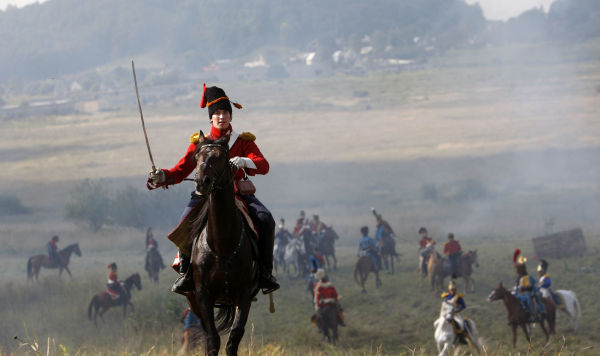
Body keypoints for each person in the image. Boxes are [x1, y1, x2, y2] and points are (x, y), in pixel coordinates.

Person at [147, 85, 279, 295]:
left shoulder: (243, 141)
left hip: (238, 195)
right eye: (216, 113)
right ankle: (187, 272)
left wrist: (244, 161)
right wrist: (162, 176)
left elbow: (264, 165)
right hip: (205, 194)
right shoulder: (201, 143)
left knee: (266, 219)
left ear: (230, 115)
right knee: (186, 220)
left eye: (225, 112)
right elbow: (180, 171)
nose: (221, 117)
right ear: (211, 118)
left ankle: (265, 272)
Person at [513, 249, 545, 322]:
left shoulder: (528, 277)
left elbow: (530, 286)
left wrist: (524, 288)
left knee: (529, 299)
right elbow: (518, 286)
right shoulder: (519, 278)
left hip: (530, 293)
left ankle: (535, 314)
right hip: (521, 293)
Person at [441, 280, 470, 344]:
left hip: (456, 314)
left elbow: (463, 306)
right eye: (451, 290)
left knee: (461, 323)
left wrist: (457, 309)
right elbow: (443, 305)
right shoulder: (446, 296)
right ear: (449, 290)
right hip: (447, 314)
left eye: (453, 290)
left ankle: (461, 337)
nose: (452, 291)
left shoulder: (458, 297)